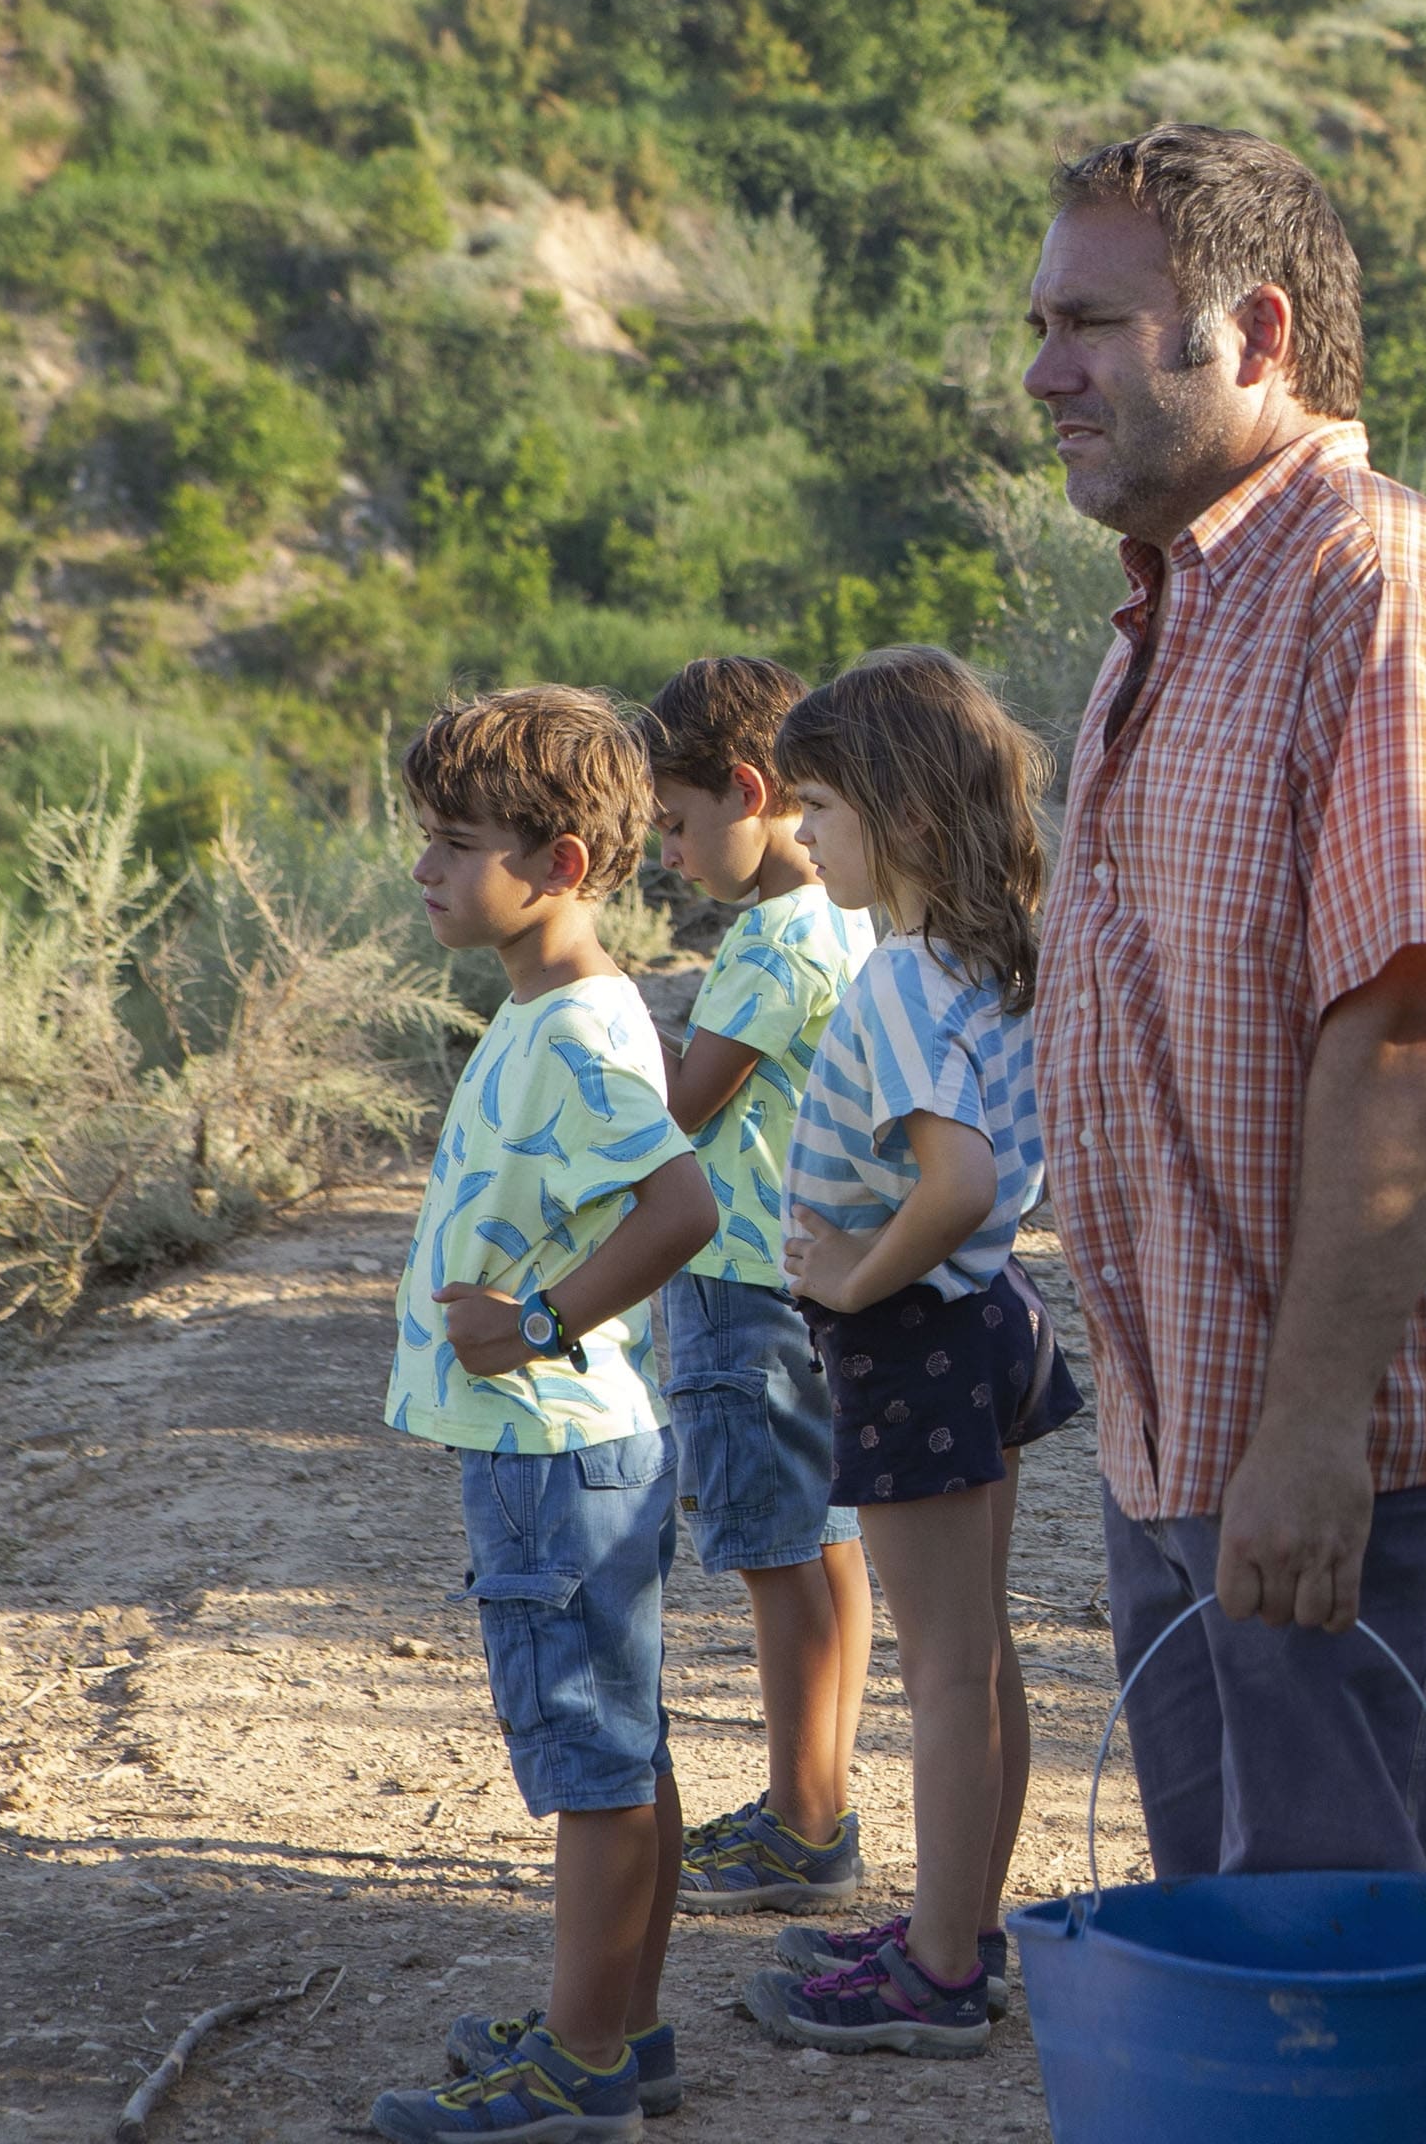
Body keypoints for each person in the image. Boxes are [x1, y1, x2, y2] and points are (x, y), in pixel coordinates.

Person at [1020, 127, 1426, 1887]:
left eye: (1092, 323)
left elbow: (1410, 1040)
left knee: (1331, 1962)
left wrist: (1311, 1437)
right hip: (1194, 1433)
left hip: (1357, 1447)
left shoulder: (1383, 592)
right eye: (1041, 325)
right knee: (1242, 1968)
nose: (1044, 372)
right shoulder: (1179, 610)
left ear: (1260, 333)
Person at [371, 688, 719, 2143]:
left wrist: (535, 1325)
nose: (425, 869)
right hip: (566, 1449)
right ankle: (622, 2032)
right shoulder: (553, 1008)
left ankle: (579, 2073)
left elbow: (682, 1209)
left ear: (561, 864)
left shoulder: (576, 1031)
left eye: (455, 844)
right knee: (622, 1747)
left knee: (591, 1764)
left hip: (553, 1451)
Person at [738, 648, 1082, 2058]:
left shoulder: (896, 980)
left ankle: (937, 1972)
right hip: (986, 1319)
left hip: (917, 1331)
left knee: (943, 1669)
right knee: (978, 1656)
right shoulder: (997, 953)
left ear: (909, 818)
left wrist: (851, 1278)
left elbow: (957, 1179)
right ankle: (963, 1929)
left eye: (820, 808)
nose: (801, 833)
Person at [629, 655, 882, 1921]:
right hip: (810, 1277)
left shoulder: (775, 936)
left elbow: (679, 1108)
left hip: (740, 1287)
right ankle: (812, 1807)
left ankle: (801, 1826)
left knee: (780, 1564)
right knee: (827, 1551)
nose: (671, 856)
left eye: (677, 825)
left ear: (746, 788)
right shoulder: (846, 912)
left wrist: (606, 1022)